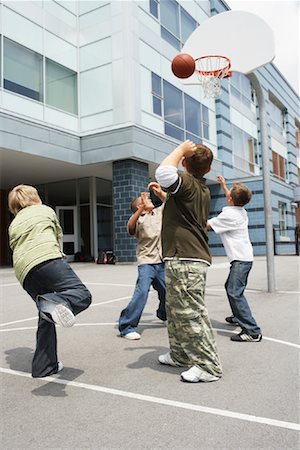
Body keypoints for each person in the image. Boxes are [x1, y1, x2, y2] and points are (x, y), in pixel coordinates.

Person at [155, 140, 222, 383]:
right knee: (175, 312)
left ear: (184, 163)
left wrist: (181, 149)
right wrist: (164, 195)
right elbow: (181, 207)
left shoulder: (190, 184)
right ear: (209, 168)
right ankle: (180, 355)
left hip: (186, 259)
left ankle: (209, 366)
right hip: (182, 258)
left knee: (190, 313)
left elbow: (163, 172)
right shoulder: (197, 188)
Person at [8, 185, 92, 378]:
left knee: (46, 315)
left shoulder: (14, 223)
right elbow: (57, 236)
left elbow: (15, 246)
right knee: (82, 294)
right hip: (46, 258)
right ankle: (57, 303)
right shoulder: (45, 210)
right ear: (34, 197)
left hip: (23, 270)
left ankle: (44, 366)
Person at [207, 176, 262, 342]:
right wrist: (224, 186)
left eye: (228, 192)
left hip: (240, 260)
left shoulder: (229, 214)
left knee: (234, 291)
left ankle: (252, 331)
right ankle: (238, 316)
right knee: (232, 288)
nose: (227, 193)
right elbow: (233, 199)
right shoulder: (241, 210)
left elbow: (206, 225)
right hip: (244, 259)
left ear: (230, 198)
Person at [118, 190, 167, 340]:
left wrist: (159, 191)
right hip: (146, 262)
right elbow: (131, 226)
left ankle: (163, 314)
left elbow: (171, 201)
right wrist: (141, 209)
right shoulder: (139, 219)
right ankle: (127, 326)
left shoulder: (159, 213)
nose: (150, 199)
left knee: (167, 292)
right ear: (140, 205)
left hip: (161, 262)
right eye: (146, 199)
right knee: (142, 292)